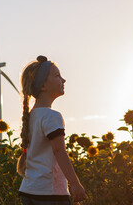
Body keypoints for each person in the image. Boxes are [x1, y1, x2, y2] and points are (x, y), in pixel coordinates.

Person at [17, 55, 86, 205]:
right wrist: (74, 183)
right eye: (57, 76)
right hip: (49, 193)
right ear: (43, 86)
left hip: (29, 190)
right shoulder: (51, 116)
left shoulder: (31, 116)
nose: (63, 80)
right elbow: (59, 151)